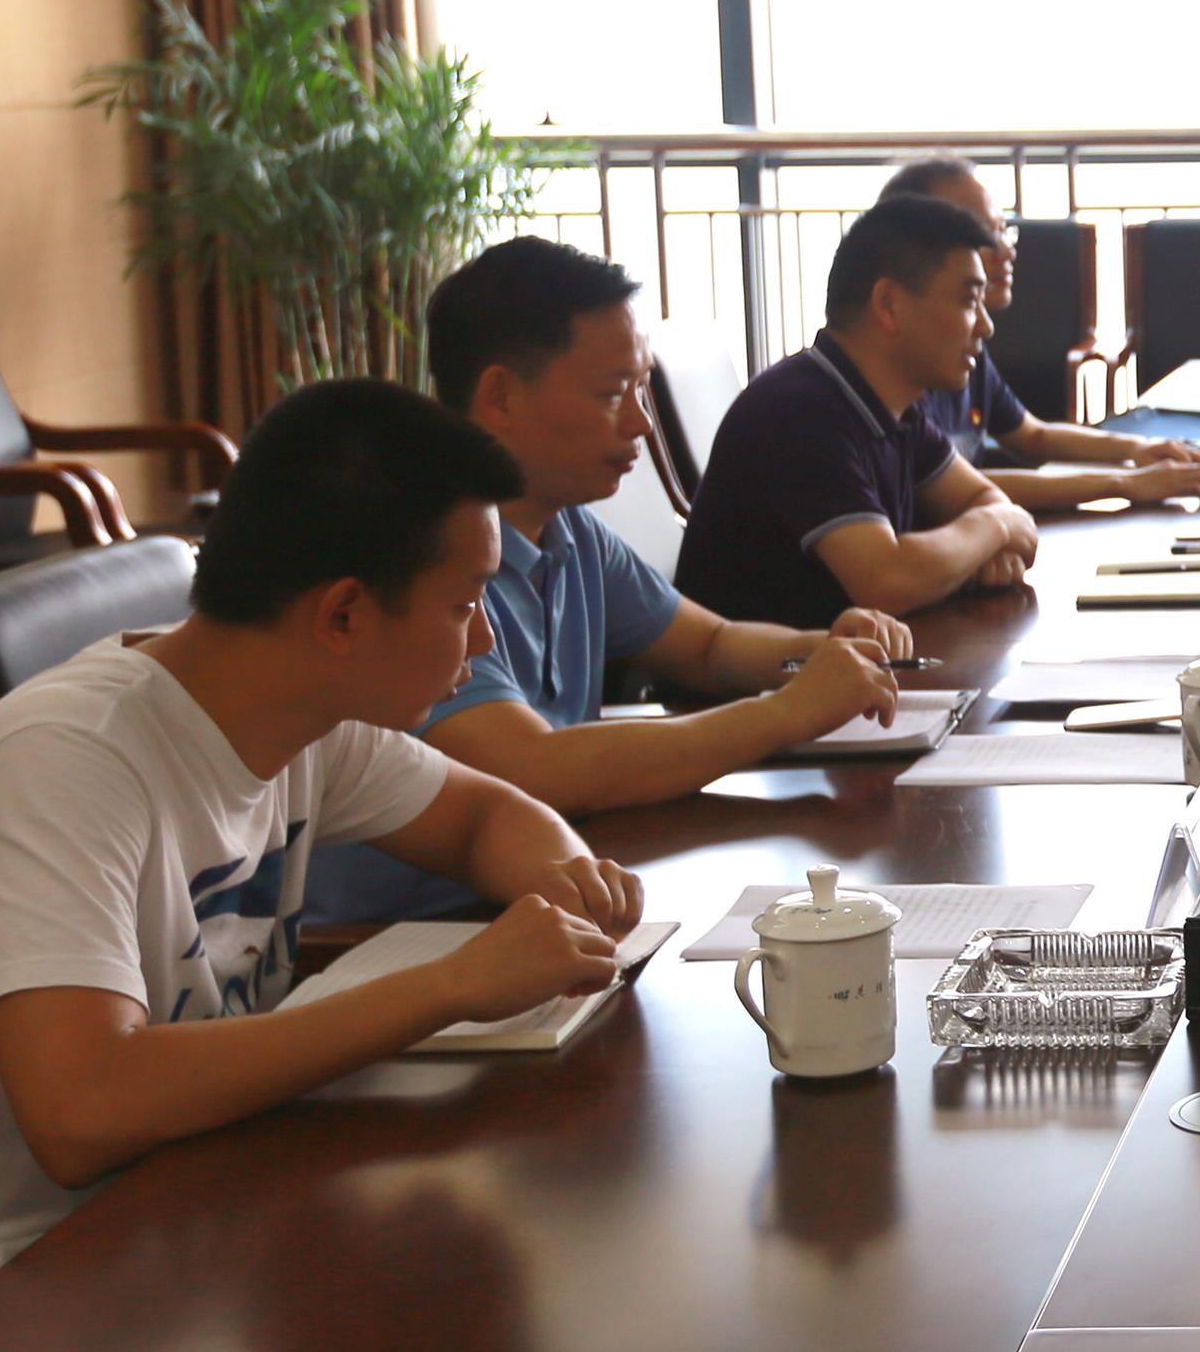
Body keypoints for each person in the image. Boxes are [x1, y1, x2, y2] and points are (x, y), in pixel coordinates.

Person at [0, 381, 644, 1311]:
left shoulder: (304, 713)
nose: (484, 637)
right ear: (343, 615)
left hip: (158, 1205)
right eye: (466, 602)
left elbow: (485, 817)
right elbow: (82, 1109)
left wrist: (568, 884)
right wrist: (451, 984)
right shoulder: (65, 764)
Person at [306, 238, 921, 925]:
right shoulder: (419, 556)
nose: (640, 422)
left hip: (537, 894)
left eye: (641, 387)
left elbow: (708, 645)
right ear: (501, 395)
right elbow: (534, 767)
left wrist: (828, 650)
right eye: (611, 393)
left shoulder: (569, 527)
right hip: (401, 934)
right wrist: (787, 713)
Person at [674, 195, 1048, 629]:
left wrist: (988, 534)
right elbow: (887, 581)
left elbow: (984, 499)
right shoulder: (800, 413)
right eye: (969, 301)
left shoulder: (895, 409)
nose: (985, 325)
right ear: (889, 304)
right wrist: (995, 530)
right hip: (762, 673)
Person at [870, 157, 1200, 510]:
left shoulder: (962, 346)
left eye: (1003, 229)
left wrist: (1137, 449)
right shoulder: (898, 370)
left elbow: (1033, 436)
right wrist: (1125, 483)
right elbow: (951, 489)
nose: (1006, 250)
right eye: (983, 234)